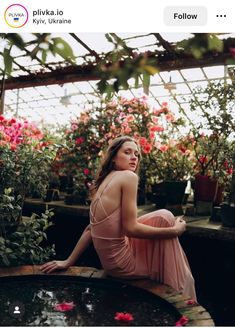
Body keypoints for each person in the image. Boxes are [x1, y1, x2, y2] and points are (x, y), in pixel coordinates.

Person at [40, 136, 197, 301]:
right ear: (113, 157)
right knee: (168, 223)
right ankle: (180, 288)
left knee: (164, 215)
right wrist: (175, 231)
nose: (134, 157)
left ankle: (178, 279)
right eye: (127, 152)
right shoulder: (129, 177)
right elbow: (130, 228)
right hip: (123, 265)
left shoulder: (104, 181)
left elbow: (90, 228)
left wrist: (68, 261)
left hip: (111, 264)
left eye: (136, 154)